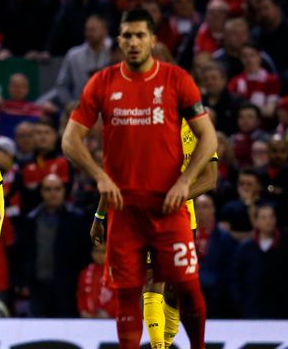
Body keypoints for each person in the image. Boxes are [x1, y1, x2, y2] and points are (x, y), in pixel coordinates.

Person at [62, 9, 217, 349]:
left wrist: (184, 182)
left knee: (187, 286)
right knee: (129, 293)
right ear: (118, 41)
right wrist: (100, 178)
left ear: (153, 40)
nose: (133, 42)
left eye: (140, 35)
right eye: (127, 36)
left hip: (169, 208)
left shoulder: (177, 80)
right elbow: (70, 140)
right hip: (125, 213)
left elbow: (209, 138)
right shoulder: (102, 83)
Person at [91, 117, 219, 348]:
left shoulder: (198, 128)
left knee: (175, 287)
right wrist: (100, 214)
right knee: (152, 279)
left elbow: (209, 179)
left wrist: (174, 197)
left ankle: (166, 342)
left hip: (182, 217)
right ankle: (157, 345)